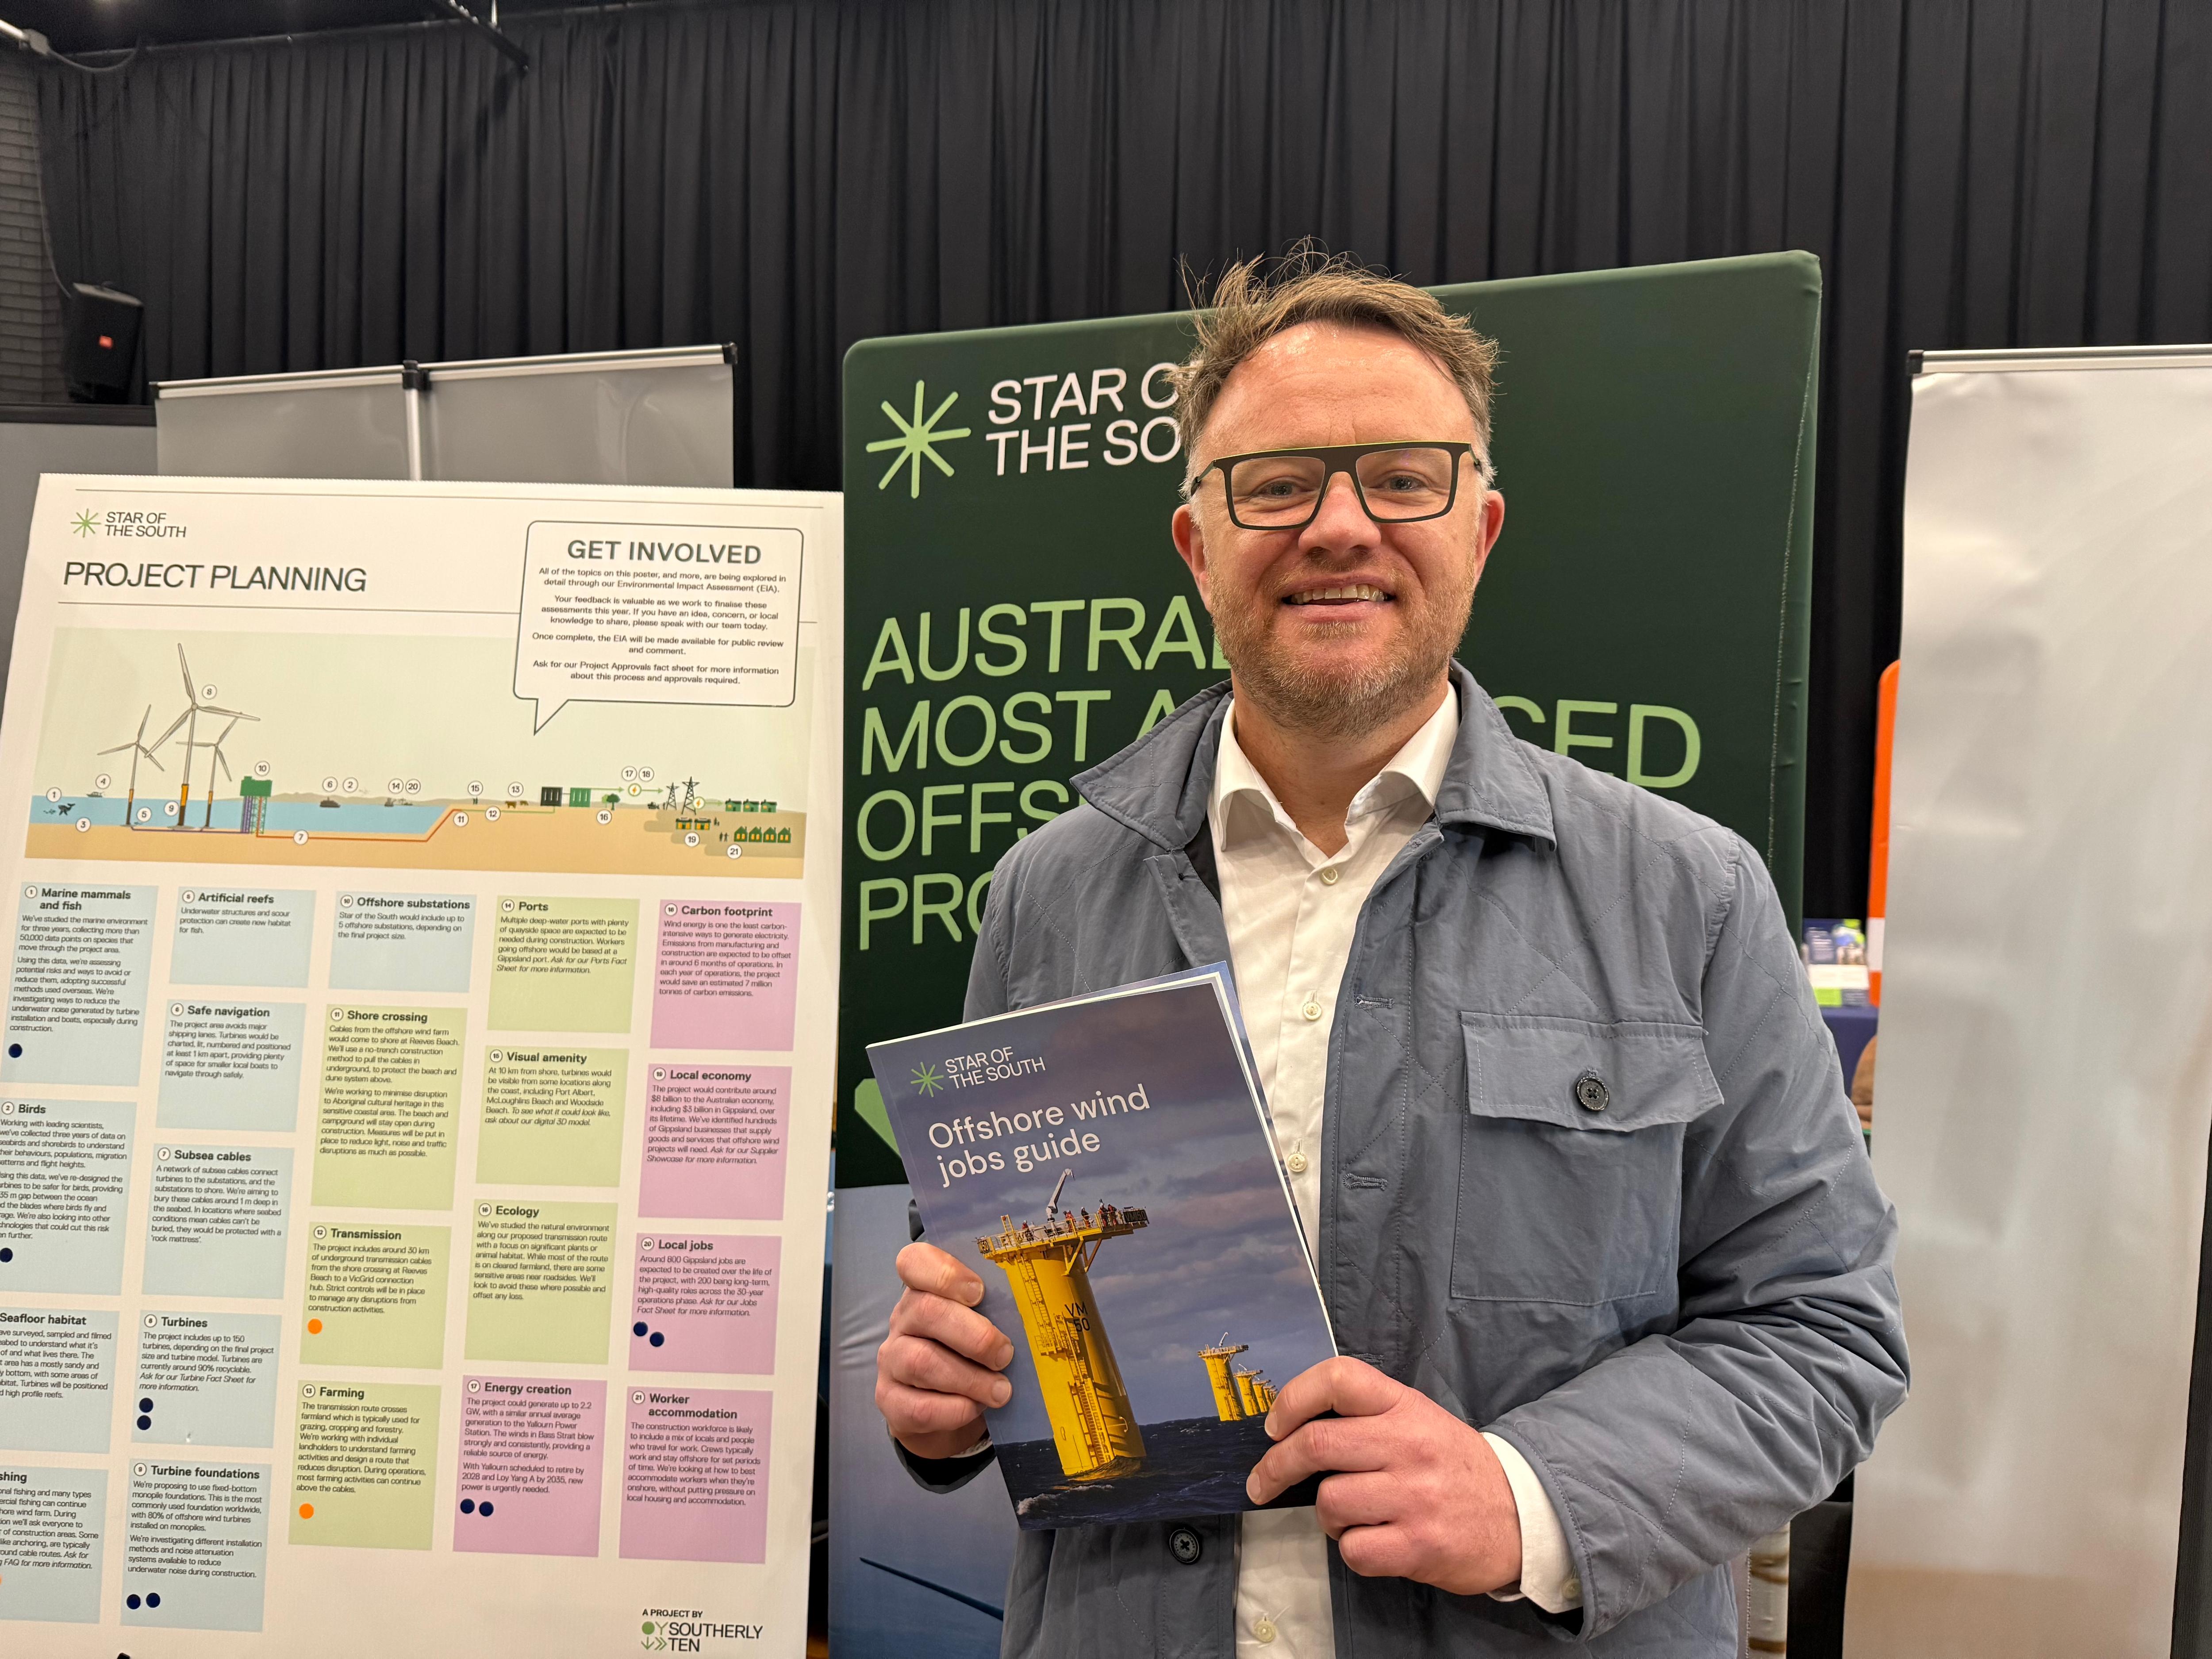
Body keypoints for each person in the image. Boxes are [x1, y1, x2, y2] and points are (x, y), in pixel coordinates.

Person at [875, 254, 1908, 1655]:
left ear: (1480, 527)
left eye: (1404, 479)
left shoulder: (1689, 897)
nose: (1339, 526)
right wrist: (949, 1394)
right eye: (1276, 483)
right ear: (1198, 544)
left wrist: (1531, 1495)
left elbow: (1825, 1332)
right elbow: (990, 1327)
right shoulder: (1047, 897)